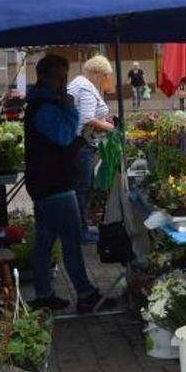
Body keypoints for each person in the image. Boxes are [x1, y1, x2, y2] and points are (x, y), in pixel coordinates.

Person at [23, 55, 114, 313]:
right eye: (60, 77)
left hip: (45, 182)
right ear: (45, 77)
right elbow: (63, 138)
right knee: (71, 240)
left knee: (45, 240)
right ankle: (85, 293)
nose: (64, 82)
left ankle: (44, 294)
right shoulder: (46, 107)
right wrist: (70, 108)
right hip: (55, 184)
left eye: (65, 76)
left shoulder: (41, 104)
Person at [67, 55, 115, 243]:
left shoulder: (78, 83)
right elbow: (87, 118)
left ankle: (80, 229)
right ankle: (80, 232)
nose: (106, 81)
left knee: (82, 187)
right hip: (82, 145)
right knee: (82, 188)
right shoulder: (85, 87)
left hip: (77, 144)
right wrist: (111, 129)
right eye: (105, 77)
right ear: (97, 73)